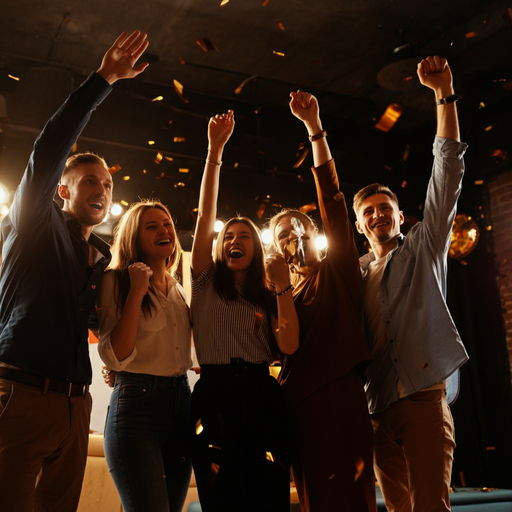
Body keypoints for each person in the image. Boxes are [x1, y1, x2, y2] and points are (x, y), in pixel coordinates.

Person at [0, 31, 149, 512]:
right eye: (89, 180)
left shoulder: (102, 258)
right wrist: (103, 79)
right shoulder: (33, 224)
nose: (102, 190)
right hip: (19, 394)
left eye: (107, 183)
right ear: (62, 191)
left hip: (75, 405)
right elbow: (48, 149)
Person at [353, 56, 469, 512]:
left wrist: (444, 93)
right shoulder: (356, 273)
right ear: (360, 225)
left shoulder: (424, 246)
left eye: (386, 208)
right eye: (369, 211)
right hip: (377, 407)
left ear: (401, 216)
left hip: (422, 399)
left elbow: (447, 174)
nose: (378, 214)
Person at [269, 91, 376, 512]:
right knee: (315, 498)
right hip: (299, 405)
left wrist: (314, 129)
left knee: (351, 497)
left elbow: (332, 199)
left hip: (343, 396)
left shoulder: (338, 269)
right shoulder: (280, 292)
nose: (292, 234)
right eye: (282, 233)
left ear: (313, 235)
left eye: (299, 226)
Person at [190, 110, 299, 512]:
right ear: (221, 246)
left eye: (244, 237)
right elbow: (205, 216)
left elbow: (289, 343)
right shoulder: (203, 279)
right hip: (214, 395)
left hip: (261, 395)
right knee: (221, 499)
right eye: (229, 236)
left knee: (269, 498)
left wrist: (282, 285)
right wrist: (214, 150)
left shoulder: (269, 292)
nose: (235, 240)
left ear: (255, 248)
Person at [97, 200, 193, 512]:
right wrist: (137, 292)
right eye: (151, 226)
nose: (164, 230)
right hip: (137, 408)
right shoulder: (117, 280)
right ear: (133, 239)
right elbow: (116, 356)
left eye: (167, 224)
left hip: (181, 404)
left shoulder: (177, 286)